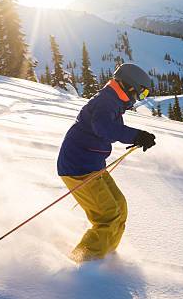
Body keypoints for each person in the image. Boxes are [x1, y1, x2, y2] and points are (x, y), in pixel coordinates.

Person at [57, 63, 156, 262]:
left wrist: (137, 136)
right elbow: (104, 127)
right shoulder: (106, 102)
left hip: (91, 165)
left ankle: (105, 251)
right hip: (78, 167)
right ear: (129, 86)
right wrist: (137, 135)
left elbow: (106, 129)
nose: (139, 98)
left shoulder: (113, 101)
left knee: (119, 206)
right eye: (141, 93)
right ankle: (84, 260)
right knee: (108, 216)